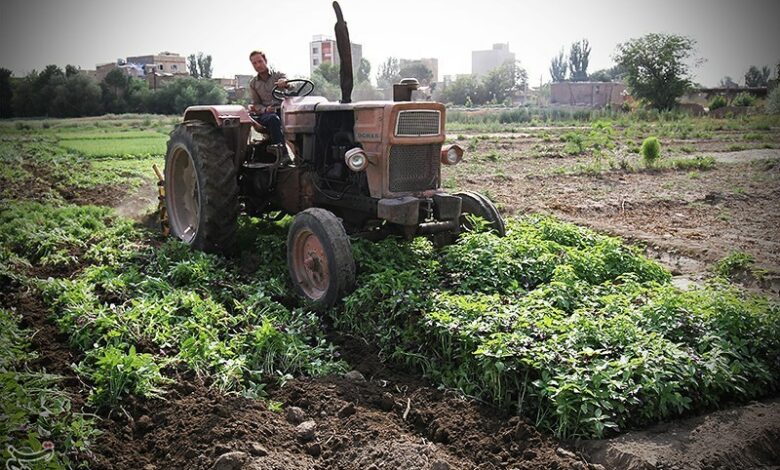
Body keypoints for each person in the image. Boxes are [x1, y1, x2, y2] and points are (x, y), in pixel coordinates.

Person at [247, 50, 288, 155]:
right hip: (267, 113)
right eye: (254, 63)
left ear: (265, 60)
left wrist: (285, 84)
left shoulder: (278, 75)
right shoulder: (253, 83)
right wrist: (265, 109)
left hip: (284, 110)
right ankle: (282, 153)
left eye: (260, 61)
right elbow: (256, 103)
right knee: (273, 118)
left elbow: (293, 85)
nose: (258, 65)